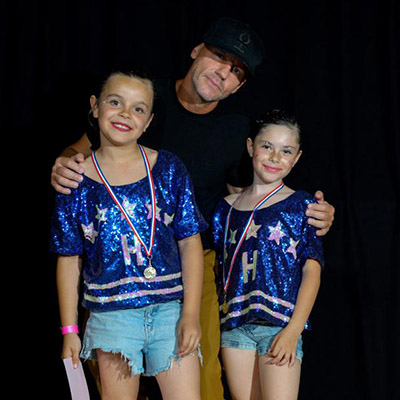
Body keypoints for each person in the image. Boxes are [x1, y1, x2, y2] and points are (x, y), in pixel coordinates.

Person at [50, 18, 335, 400]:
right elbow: (86, 147)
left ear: (240, 86)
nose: (223, 73)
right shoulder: (144, 98)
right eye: (219, 57)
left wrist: (309, 214)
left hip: (193, 261)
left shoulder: (236, 130)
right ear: (197, 50)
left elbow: (252, 194)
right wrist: (65, 161)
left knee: (203, 377)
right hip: (118, 269)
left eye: (236, 72)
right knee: (113, 375)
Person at [50, 71, 207, 400]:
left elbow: (190, 242)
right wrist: (69, 330)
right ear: (95, 107)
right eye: (115, 102)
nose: (125, 114)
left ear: (148, 122)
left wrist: (191, 314)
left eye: (138, 109)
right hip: (111, 315)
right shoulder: (75, 179)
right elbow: (69, 258)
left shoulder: (168, 168)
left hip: (168, 310)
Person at [212, 110, 323, 400]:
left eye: (286, 151)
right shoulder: (225, 208)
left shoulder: (302, 204)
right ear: (251, 146)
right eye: (267, 146)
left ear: (297, 157)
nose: (275, 157)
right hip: (235, 325)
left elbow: (312, 270)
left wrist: (293, 330)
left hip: (279, 325)